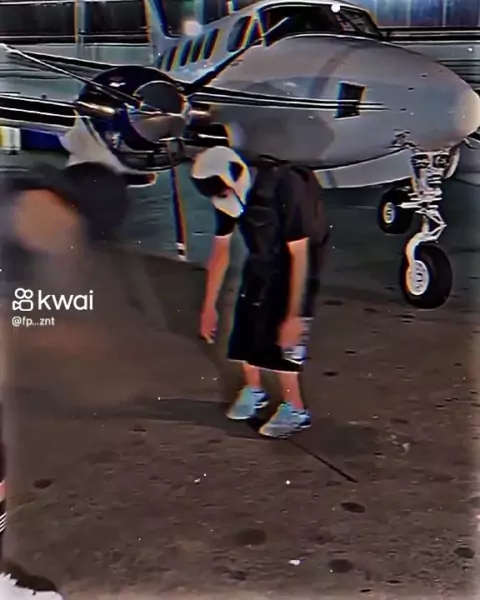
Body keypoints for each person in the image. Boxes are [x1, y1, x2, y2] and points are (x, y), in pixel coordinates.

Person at [191, 146, 330, 438]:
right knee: (246, 325)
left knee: (283, 337)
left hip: (297, 261)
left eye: (225, 194)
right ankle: (254, 390)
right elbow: (220, 251)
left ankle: (296, 409)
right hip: (261, 259)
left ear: (235, 178)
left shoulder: (284, 185)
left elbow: (299, 253)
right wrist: (208, 306)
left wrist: (295, 315)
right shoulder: (223, 192)